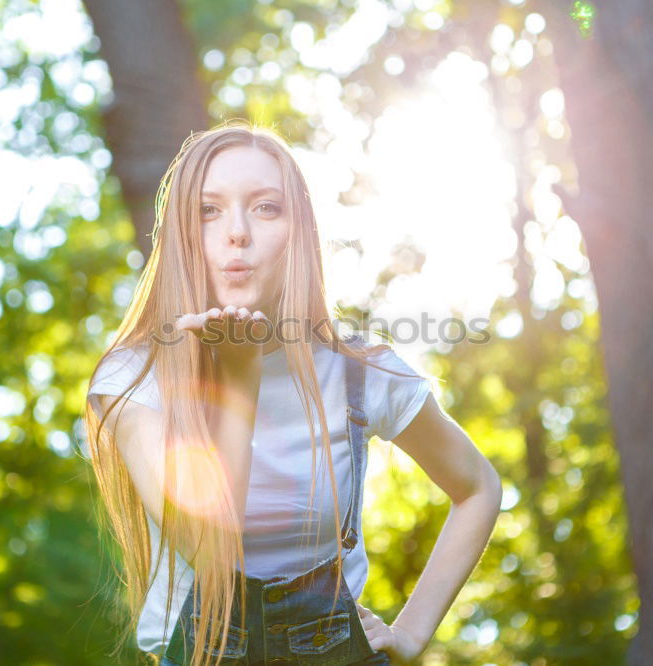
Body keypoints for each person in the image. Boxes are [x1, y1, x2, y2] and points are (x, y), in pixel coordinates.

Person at [82, 120, 502, 666]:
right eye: (208, 210)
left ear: (297, 233)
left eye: (265, 207)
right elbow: (205, 548)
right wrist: (239, 376)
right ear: (182, 234)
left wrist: (411, 631)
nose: (237, 232)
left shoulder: (359, 372)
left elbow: (478, 487)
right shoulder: (133, 378)